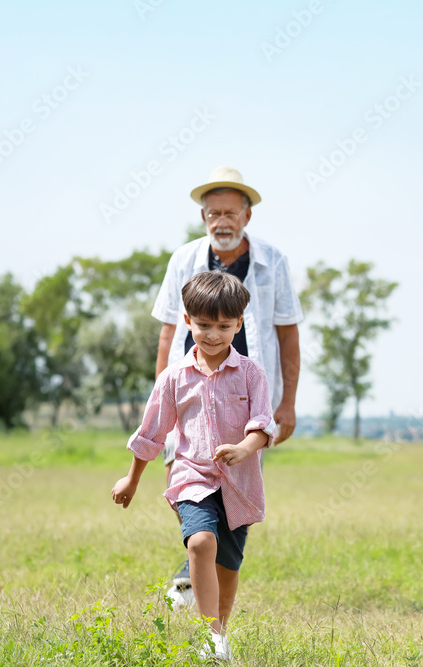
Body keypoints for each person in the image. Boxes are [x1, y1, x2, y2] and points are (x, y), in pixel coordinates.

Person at [152, 166, 303, 606]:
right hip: (191, 392)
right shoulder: (183, 260)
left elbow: (288, 334)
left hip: (246, 398)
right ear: (203, 217)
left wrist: (287, 403)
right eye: (212, 212)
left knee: (234, 491)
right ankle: (191, 565)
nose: (221, 220)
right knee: (185, 480)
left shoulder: (274, 261)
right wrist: (161, 394)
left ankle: (200, 576)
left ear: (246, 217)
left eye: (229, 212)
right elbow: (166, 332)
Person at [112, 271, 277, 661]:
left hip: (240, 482)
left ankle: (219, 632)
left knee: (229, 565)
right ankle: (211, 633)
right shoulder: (174, 378)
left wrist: (244, 447)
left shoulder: (252, 374)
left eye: (224, 326)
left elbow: (263, 425)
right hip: (191, 476)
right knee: (201, 542)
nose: (214, 335)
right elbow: (151, 432)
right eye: (204, 325)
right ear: (188, 321)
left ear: (239, 324)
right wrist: (131, 479)